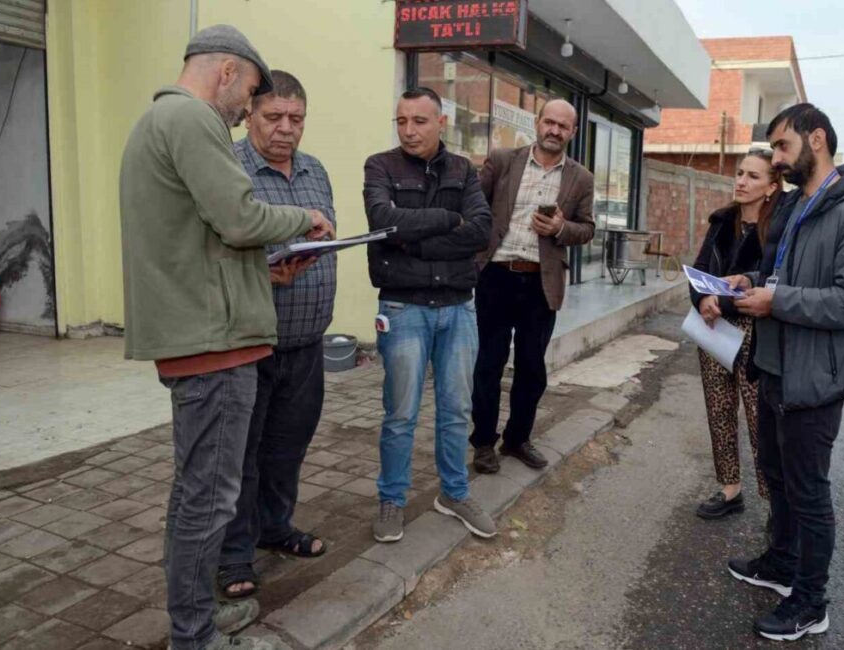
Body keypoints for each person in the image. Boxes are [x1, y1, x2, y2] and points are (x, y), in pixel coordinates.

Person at [119, 25, 333, 650]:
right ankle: (193, 634)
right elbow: (239, 217)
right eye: (252, 97)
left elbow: (200, 236)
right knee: (208, 501)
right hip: (212, 341)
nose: (247, 112)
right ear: (227, 75)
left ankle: (195, 619)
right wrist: (307, 218)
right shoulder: (192, 121)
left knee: (196, 493)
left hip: (202, 331)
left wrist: (261, 263)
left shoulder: (159, 121)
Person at [724, 103, 844, 642]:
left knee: (808, 491)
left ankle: (811, 602)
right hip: (774, 366)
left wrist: (779, 301)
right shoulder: (799, 204)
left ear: (816, 140)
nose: (776, 158)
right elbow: (784, 274)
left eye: (782, 146)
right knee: (777, 478)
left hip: (815, 378)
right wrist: (749, 282)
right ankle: (781, 564)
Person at [217, 71, 335, 600]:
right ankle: (234, 555)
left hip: (307, 343)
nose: (286, 129)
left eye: (297, 119)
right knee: (241, 457)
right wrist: (264, 271)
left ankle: (275, 527)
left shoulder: (315, 171)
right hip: (250, 342)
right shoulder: (229, 168)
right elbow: (217, 250)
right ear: (249, 115)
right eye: (273, 117)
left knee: (287, 448)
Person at [363, 87, 497, 543]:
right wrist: (447, 219)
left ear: (441, 123)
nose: (408, 130)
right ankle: (391, 500)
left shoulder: (463, 170)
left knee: (457, 410)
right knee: (400, 413)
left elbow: (481, 231)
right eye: (401, 121)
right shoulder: (379, 166)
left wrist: (411, 238)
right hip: (403, 309)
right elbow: (384, 220)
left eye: (419, 121)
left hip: (459, 308)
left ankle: (454, 494)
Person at [469, 99, 595, 474]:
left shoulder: (581, 178)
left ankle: (517, 438)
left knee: (531, 368)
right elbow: (475, 207)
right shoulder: (504, 159)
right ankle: (483, 442)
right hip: (495, 275)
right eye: (550, 122)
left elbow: (587, 229)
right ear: (537, 123)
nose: (555, 131)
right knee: (488, 363)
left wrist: (560, 229)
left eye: (563, 126)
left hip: (542, 282)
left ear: (572, 133)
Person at [691, 149, 780, 520]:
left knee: (761, 419)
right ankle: (730, 490)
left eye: (753, 176)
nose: (741, 181)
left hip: (755, 333)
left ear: (772, 186)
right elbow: (698, 270)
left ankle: (776, 503)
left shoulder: (779, 230)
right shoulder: (722, 221)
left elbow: (771, 284)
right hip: (713, 329)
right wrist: (700, 300)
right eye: (740, 173)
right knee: (719, 411)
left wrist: (720, 303)